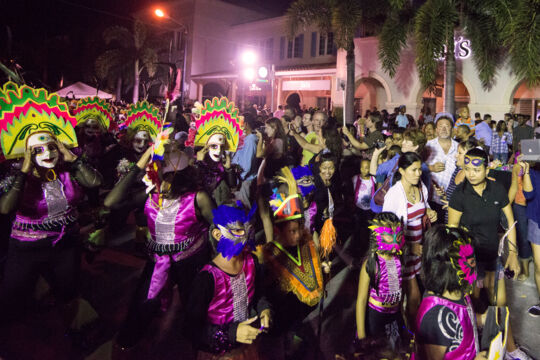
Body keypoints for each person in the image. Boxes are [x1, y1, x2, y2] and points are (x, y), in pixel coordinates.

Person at [0, 82, 103, 332]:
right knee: (11, 298)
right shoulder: (16, 173)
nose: (47, 153)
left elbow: (95, 182)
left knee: (68, 292)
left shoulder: (68, 168)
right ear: (26, 153)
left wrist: (73, 158)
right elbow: (5, 209)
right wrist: (24, 171)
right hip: (26, 246)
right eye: (38, 149)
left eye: (51, 147)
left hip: (64, 243)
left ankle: (76, 332)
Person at [104, 147, 215, 349]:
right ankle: (128, 342)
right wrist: (141, 161)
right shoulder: (149, 195)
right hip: (158, 260)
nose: (164, 182)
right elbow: (110, 202)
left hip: (191, 260)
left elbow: (217, 227)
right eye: (160, 173)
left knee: (194, 306)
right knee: (144, 302)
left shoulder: (198, 198)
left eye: (171, 176)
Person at [185, 202, 272, 359]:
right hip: (216, 353)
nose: (245, 237)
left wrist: (264, 309)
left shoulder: (251, 262)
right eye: (238, 230)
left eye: (248, 229)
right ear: (218, 235)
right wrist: (231, 333)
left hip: (245, 347)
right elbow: (191, 329)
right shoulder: (207, 279)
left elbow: (259, 294)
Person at [262, 166, 324, 359]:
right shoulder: (269, 255)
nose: (297, 235)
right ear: (280, 231)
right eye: (291, 231)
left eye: (298, 229)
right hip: (281, 315)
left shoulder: (305, 244)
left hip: (299, 313)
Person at [382, 152, 437, 325]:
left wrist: (430, 212)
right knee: (413, 298)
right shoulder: (394, 194)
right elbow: (385, 231)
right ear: (402, 171)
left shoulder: (421, 187)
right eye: (413, 170)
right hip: (402, 254)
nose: (418, 173)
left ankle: (407, 331)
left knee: (410, 296)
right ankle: (411, 335)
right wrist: (409, 247)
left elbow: (424, 207)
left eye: (419, 169)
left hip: (419, 252)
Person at [414, 226, 485, 360]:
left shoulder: (459, 292)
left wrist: (483, 319)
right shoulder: (436, 317)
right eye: (471, 262)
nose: (475, 266)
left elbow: (462, 320)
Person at [356, 212, 405, 350]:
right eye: (389, 235)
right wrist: (362, 337)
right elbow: (361, 300)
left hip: (394, 316)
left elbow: (400, 291)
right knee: (376, 352)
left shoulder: (399, 260)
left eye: (398, 235)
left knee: (393, 350)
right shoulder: (371, 263)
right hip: (375, 317)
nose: (394, 240)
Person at [425, 113, 458, 220]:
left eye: (447, 126)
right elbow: (417, 166)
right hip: (431, 199)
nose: (444, 129)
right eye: (440, 126)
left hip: (452, 200)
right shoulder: (428, 146)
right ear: (436, 130)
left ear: (452, 129)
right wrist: (431, 168)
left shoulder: (458, 148)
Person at [508, 157, 533, 282]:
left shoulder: (536, 167)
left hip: (535, 205)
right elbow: (514, 187)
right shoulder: (518, 167)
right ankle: (525, 269)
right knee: (523, 237)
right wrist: (506, 205)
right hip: (520, 205)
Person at [521, 160, 540, 317]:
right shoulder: (533, 170)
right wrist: (526, 171)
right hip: (536, 219)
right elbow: (528, 194)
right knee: (539, 266)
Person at [232, 113, 261, 208]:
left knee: (244, 210)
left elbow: (247, 165)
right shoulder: (245, 138)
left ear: (246, 124)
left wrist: (239, 180)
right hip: (240, 180)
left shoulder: (251, 140)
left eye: (240, 122)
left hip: (244, 181)